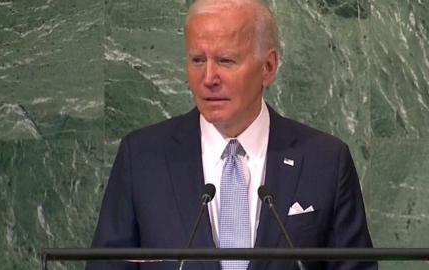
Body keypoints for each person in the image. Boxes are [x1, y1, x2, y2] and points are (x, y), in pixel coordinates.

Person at [87, 0, 377, 269]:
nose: (209, 78)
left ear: (268, 67)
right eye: (198, 60)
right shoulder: (141, 158)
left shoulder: (325, 160)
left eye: (226, 61)